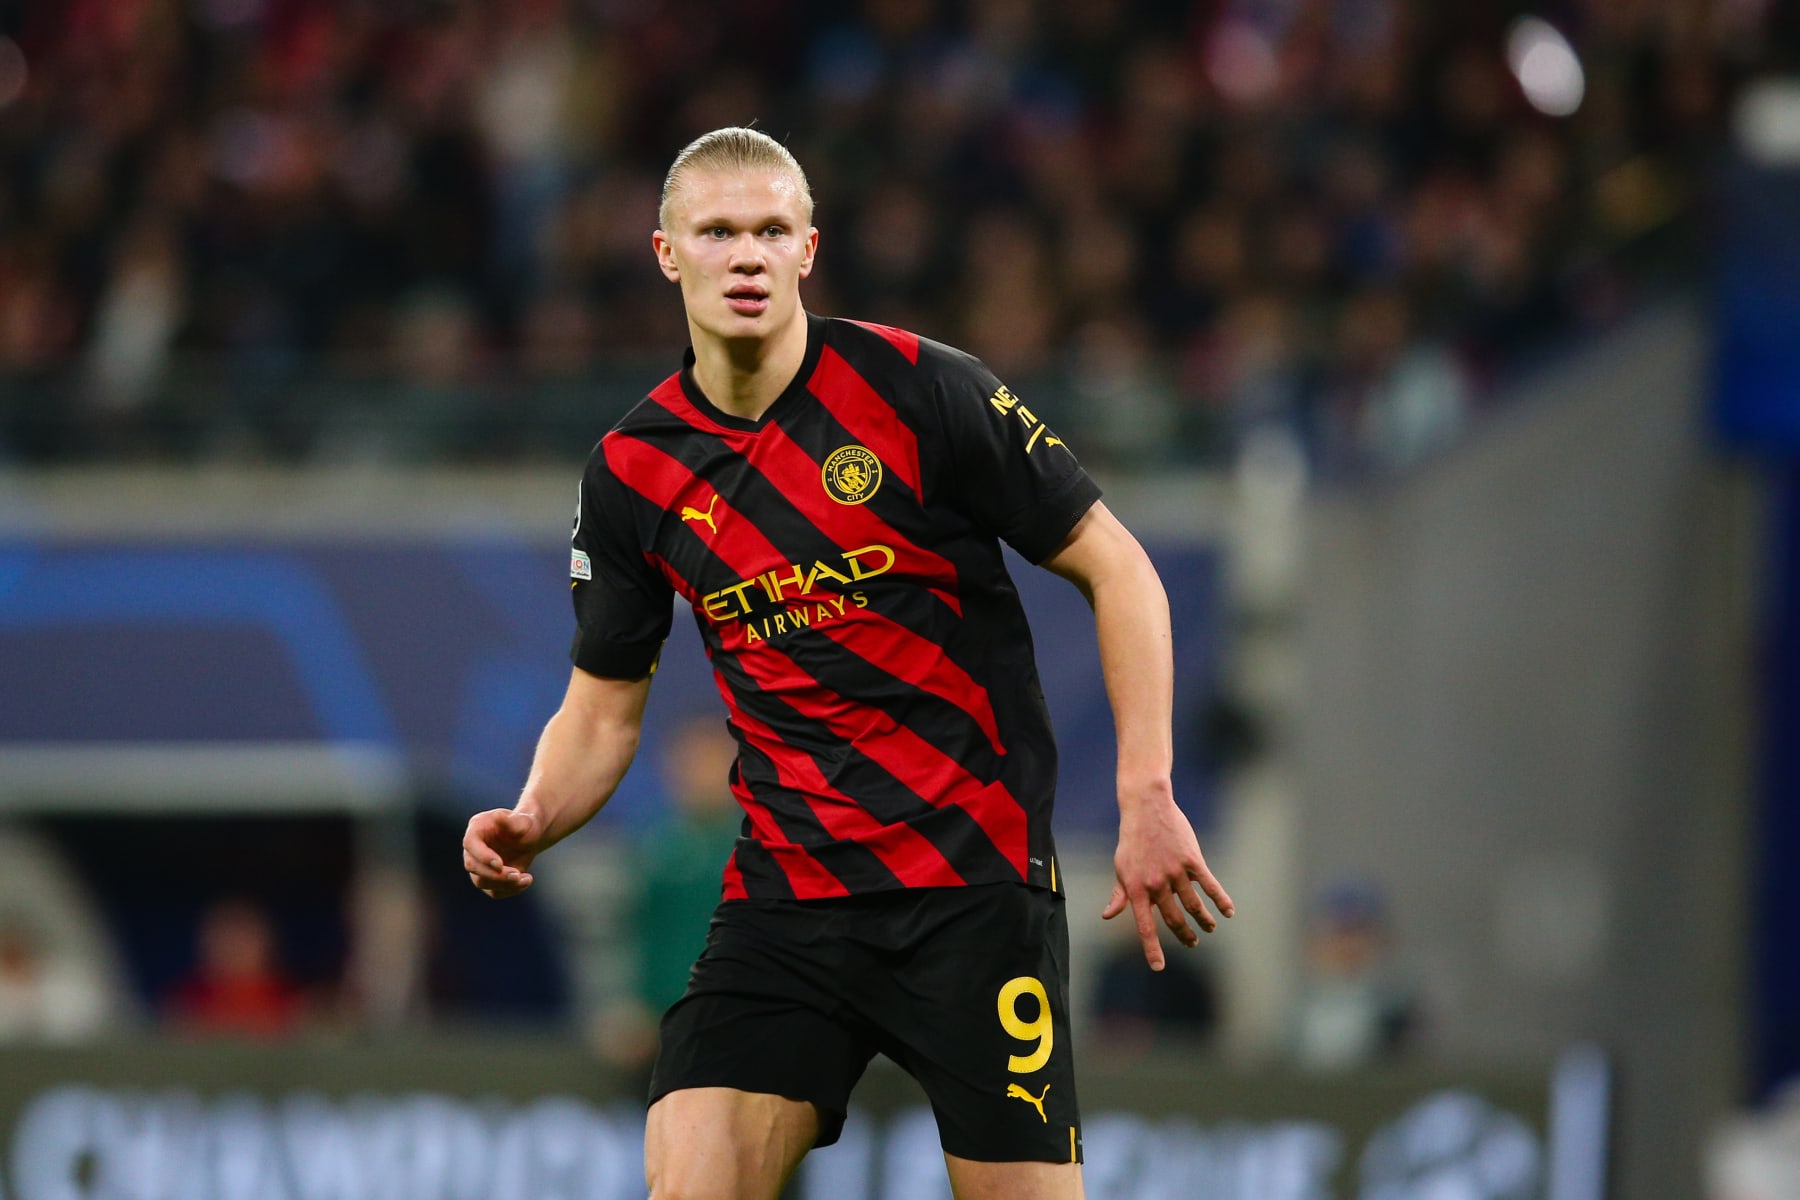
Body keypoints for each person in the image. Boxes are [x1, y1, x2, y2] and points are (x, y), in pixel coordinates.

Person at [463, 126, 1233, 1199]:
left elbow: (1121, 569)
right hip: (792, 898)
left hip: (970, 890)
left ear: (808, 249)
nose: (747, 255)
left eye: (771, 230)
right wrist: (536, 812)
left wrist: (1146, 787)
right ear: (665, 254)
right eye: (718, 231)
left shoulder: (919, 389)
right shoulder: (634, 471)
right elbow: (601, 713)